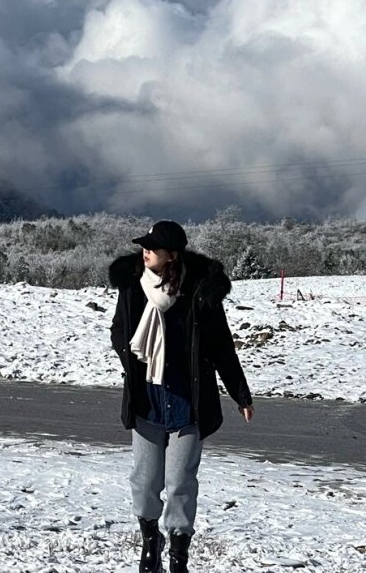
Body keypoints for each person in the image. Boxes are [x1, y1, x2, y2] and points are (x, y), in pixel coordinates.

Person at [109, 220, 254, 573]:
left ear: (172, 255)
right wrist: (130, 356)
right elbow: (118, 329)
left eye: (153, 248)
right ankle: (149, 542)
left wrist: (240, 393)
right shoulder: (133, 286)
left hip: (189, 405)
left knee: (180, 484)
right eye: (144, 246)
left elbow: (221, 344)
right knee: (144, 482)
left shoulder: (199, 292)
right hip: (147, 401)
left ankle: (178, 554)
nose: (145, 251)